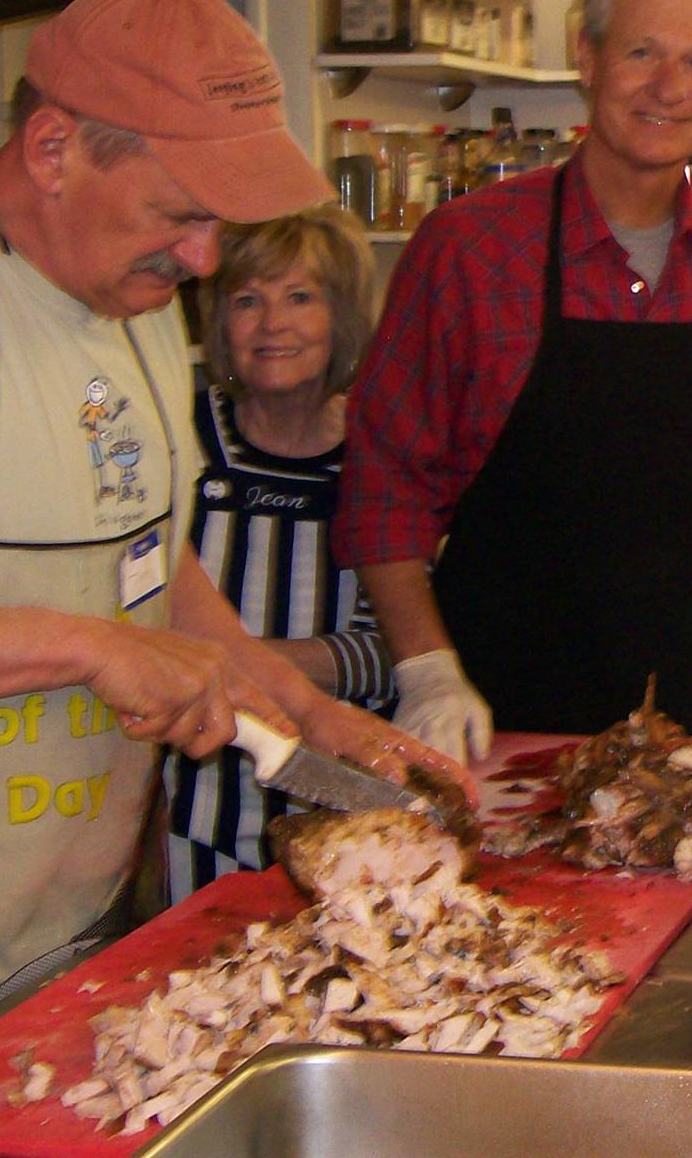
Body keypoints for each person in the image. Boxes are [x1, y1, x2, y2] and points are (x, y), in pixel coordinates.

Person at [0, 0, 469, 1052]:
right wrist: (87, 648)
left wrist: (298, 705)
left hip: (72, 939)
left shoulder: (136, 300)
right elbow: (102, 624)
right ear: (54, 147)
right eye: (179, 214)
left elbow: (149, 554)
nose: (205, 261)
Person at [334, 0, 692, 761]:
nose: (668, 88)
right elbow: (384, 481)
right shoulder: (470, 249)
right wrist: (427, 671)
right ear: (587, 57)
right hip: (500, 724)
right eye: (641, 52)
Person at [163, 207, 397, 902]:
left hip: (350, 800)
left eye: (301, 297)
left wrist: (235, 665)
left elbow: (392, 648)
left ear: (344, 317)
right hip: (199, 800)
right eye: (247, 301)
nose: (272, 326)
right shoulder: (178, 432)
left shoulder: (381, 450)